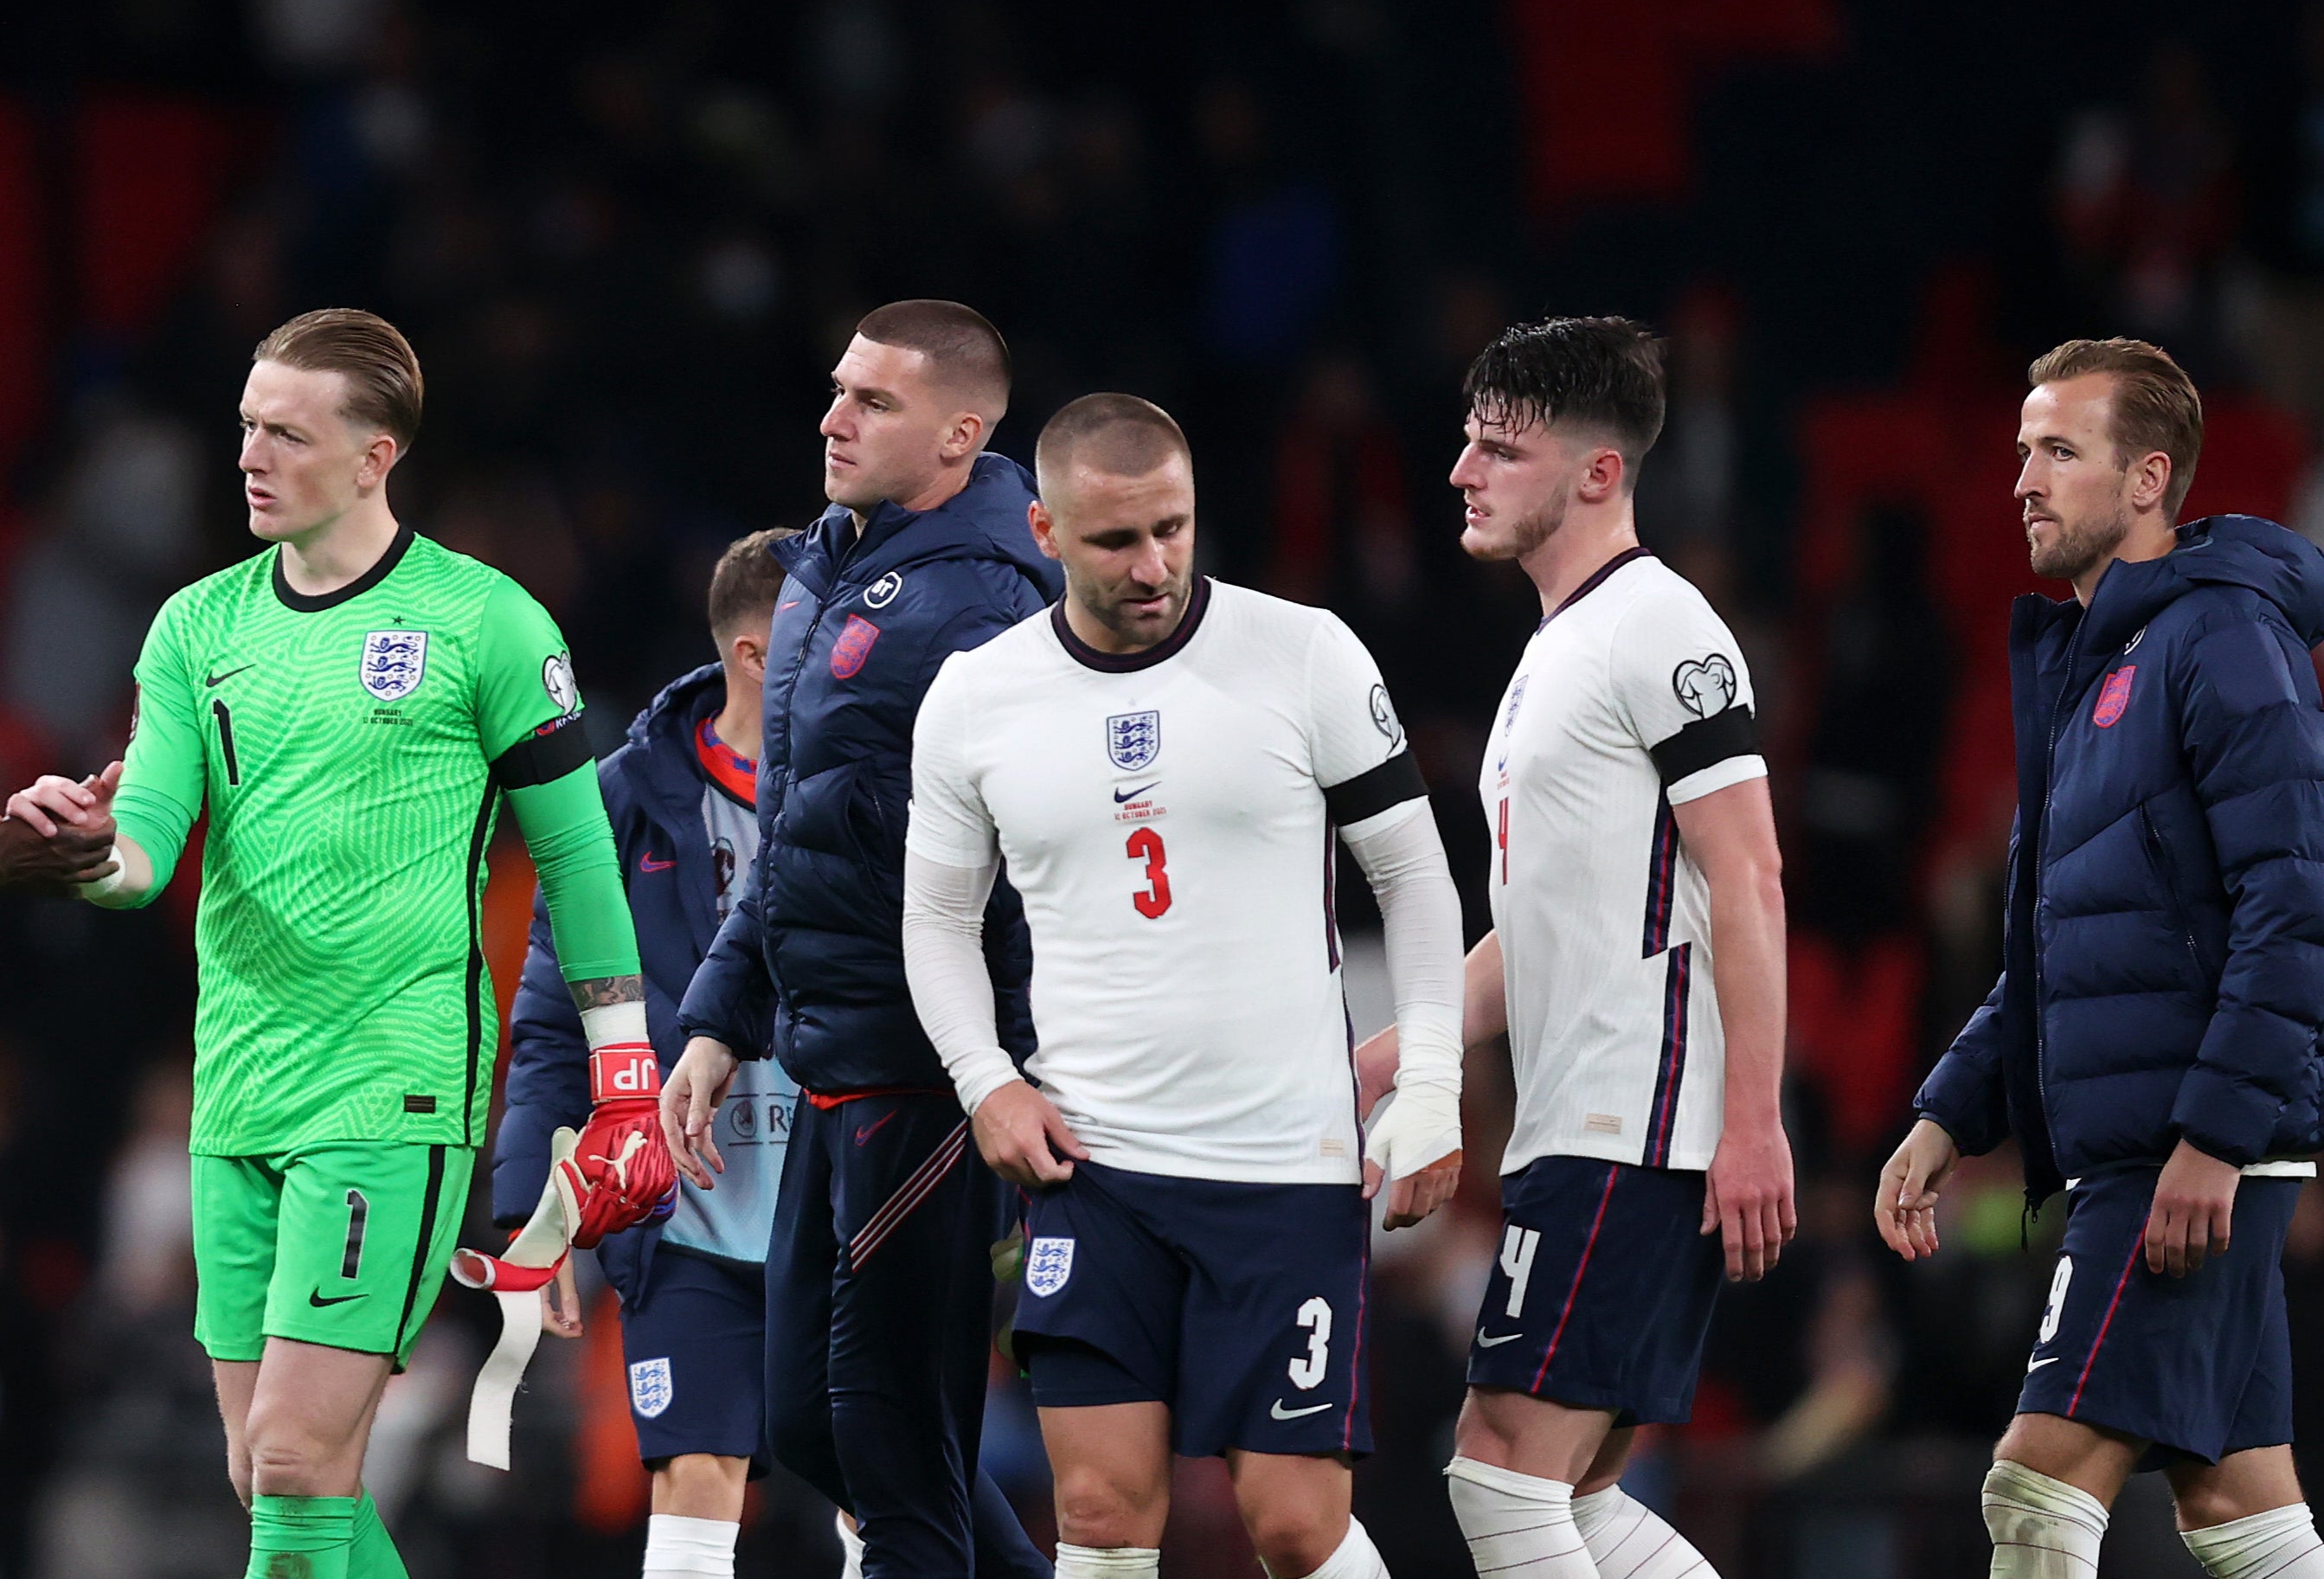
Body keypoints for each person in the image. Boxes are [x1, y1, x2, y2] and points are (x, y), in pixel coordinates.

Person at [2, 308, 672, 1579]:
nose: (250, 453)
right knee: (271, 1471)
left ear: (374, 456)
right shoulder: (196, 626)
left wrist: (623, 1067)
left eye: (287, 433)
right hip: (238, 1084)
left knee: (302, 1462)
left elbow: (579, 857)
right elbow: (145, 839)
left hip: (391, 1083)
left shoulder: (485, 622)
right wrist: (81, 850)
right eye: (247, 424)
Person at [898, 394, 1467, 1579]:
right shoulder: (973, 697)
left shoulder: (1300, 651)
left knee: (1294, 1522)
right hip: (1093, 1166)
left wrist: (1433, 1079)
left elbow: (1414, 875)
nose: (1152, 563)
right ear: (1044, 530)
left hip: (1282, 1164)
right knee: (1101, 1509)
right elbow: (939, 918)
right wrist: (985, 1082)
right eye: (1116, 540)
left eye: (1173, 526)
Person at [1879, 338, 2324, 1579]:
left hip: (2183, 1146)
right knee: (2241, 1507)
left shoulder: (2224, 635)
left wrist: (2213, 1137)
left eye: (2058, 449)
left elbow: (2294, 904)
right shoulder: (2093, 670)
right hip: (2158, 1136)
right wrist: (1946, 1111)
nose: (2022, 476)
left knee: (2031, 1485)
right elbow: (2058, 945)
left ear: (2147, 478)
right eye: (2022, 448)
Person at [1358, 315, 1793, 1578]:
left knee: (1497, 1472)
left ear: (1598, 473)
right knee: (1572, 1492)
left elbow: (1748, 871)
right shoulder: (1559, 646)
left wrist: (1753, 1119)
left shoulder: (1660, 625)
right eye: (1465, 439)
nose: (1460, 468)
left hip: (1630, 1123)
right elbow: (1544, 925)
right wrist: (1408, 1041)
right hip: (1590, 1119)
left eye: (1498, 446)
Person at [663, 301, 1056, 1579]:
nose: (831, 417)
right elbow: (790, 827)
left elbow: (1013, 847)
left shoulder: (992, 596)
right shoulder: (831, 559)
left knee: (893, 1462)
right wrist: (724, 1017)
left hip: (927, 1071)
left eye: (869, 402)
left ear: (958, 434)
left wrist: (1002, 1060)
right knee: (811, 1427)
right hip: (830, 1053)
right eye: (837, 390)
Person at [495, 529, 798, 1579]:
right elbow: (549, 1015)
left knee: (883, 1487)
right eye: (831, 629)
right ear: (755, 654)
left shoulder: (880, 784)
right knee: (691, 1477)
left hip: (852, 1198)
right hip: (688, 1214)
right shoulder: (621, 798)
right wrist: (537, 1211)